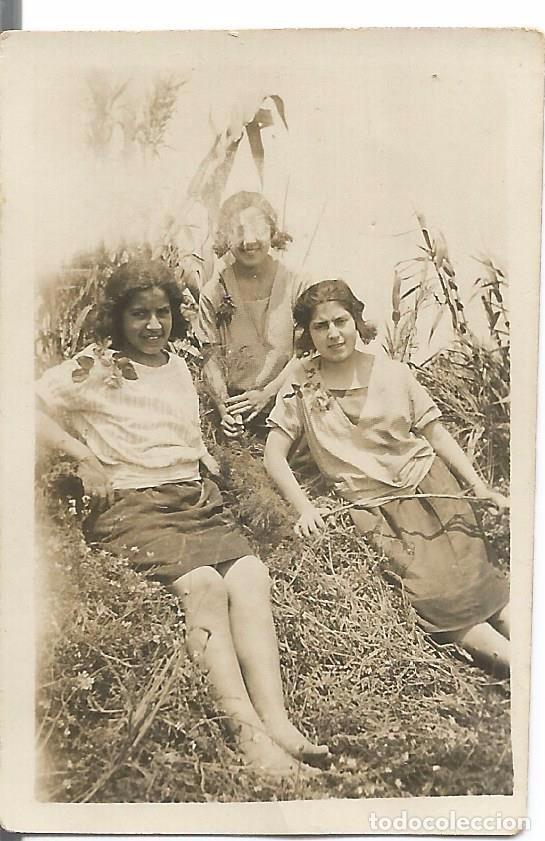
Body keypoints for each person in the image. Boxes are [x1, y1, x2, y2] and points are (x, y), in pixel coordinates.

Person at [36, 257, 329, 775]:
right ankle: (248, 737)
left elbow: (175, 429)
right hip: (133, 505)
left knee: (251, 575)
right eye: (139, 314)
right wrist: (81, 456)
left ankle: (278, 721)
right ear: (118, 317)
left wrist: (201, 455)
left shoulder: (175, 365)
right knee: (205, 586)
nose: (153, 325)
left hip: (193, 499)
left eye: (162, 313)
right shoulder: (95, 365)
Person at [264, 279, 511, 675]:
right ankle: (523, 668)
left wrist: (480, 488)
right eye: (320, 326)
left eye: (341, 321)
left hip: (433, 491)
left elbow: (435, 434)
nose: (333, 334)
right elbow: (273, 454)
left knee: (488, 590)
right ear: (308, 334)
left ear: (357, 322)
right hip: (377, 511)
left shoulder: (393, 374)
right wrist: (304, 508)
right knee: (436, 598)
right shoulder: (302, 384)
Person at [196, 191, 308, 438]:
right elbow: (210, 357)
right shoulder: (214, 291)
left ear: (272, 230)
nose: (249, 241)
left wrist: (267, 394)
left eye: (258, 229)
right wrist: (225, 409)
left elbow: (304, 354)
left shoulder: (297, 284)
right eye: (238, 231)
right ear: (224, 236)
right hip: (238, 410)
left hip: (288, 404)